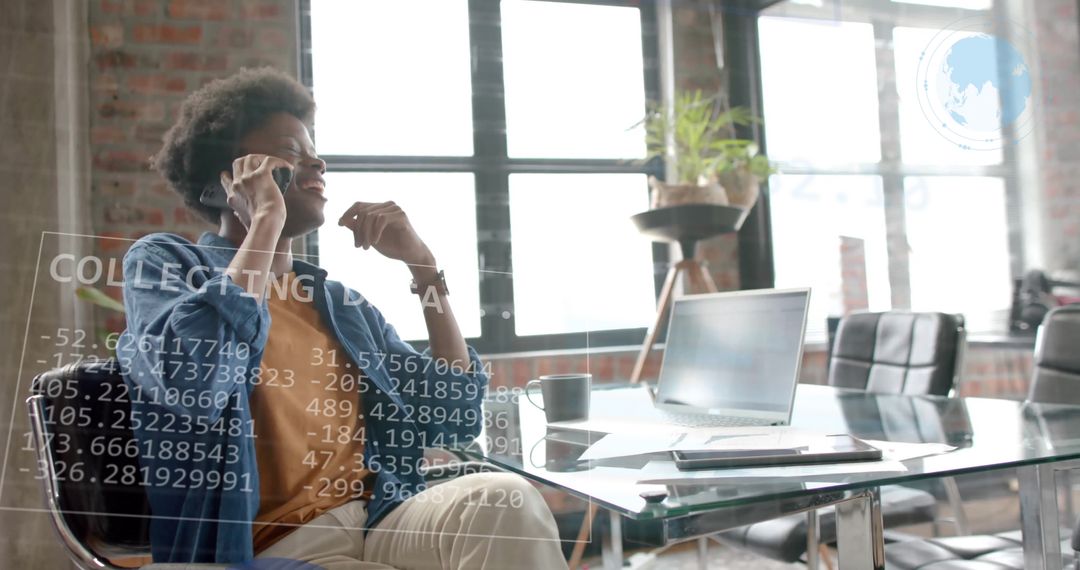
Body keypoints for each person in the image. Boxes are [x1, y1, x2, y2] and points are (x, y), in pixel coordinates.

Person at [117, 67, 567, 569]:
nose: (317, 164)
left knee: (504, 499)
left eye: (314, 153)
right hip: (269, 545)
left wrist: (424, 268)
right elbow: (194, 380)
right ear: (223, 186)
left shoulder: (338, 305)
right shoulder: (168, 266)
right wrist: (264, 221)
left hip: (379, 517)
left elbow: (452, 412)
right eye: (292, 153)